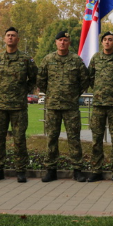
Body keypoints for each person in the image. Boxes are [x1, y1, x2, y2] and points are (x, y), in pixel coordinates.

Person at [37, 30, 90, 183]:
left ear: (69, 43)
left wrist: (74, 94)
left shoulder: (76, 60)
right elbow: (41, 80)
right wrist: (51, 93)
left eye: (65, 40)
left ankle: (77, 170)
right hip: (53, 106)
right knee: (52, 138)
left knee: (74, 138)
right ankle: (51, 169)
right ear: (56, 42)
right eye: (60, 40)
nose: (62, 43)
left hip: (71, 107)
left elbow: (85, 80)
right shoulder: (48, 60)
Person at [0, 27, 38, 183]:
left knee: (19, 139)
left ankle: (21, 170)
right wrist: (0, 90)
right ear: (4, 39)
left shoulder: (25, 59)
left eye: (13, 36)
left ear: (18, 39)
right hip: (1, 107)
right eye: (8, 36)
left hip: (19, 107)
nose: (10, 38)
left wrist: (24, 91)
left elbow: (35, 78)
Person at [87, 31, 113, 183]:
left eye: (110, 40)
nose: (108, 42)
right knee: (96, 139)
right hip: (98, 105)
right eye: (105, 40)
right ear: (101, 42)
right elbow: (90, 76)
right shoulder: (96, 58)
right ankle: (97, 170)